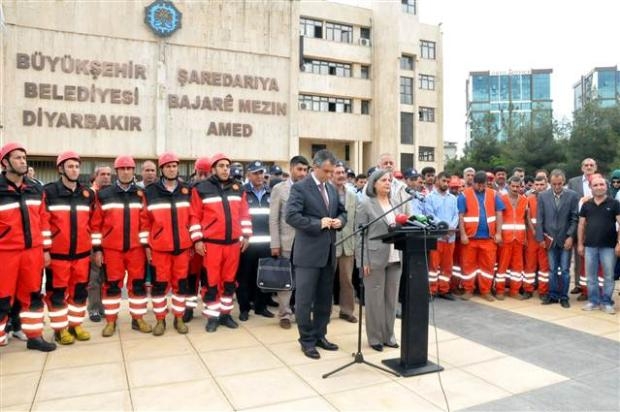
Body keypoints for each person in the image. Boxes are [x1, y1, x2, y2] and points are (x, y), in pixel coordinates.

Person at [285, 149, 346, 360]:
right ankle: (307, 340)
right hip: (308, 254)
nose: (329, 175)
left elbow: (341, 211)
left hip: (328, 252)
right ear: (315, 166)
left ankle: (321, 335)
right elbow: (291, 216)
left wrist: (340, 221)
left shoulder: (331, 188)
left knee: (324, 299)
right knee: (304, 300)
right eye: (326, 171)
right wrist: (317, 223)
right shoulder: (301, 188)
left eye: (332, 171)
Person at [0, 142, 56, 351]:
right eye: (17, 158)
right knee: (2, 298)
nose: (23, 161)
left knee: (33, 296)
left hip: (32, 253)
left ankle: (34, 337)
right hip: (4, 254)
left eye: (24, 158)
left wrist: (46, 250)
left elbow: (44, 220)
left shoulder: (35, 188)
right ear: (5, 162)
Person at [190, 153, 252, 333]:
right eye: (221, 166)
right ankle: (212, 316)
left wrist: (246, 236)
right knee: (211, 283)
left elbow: (244, 215)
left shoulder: (238, 188)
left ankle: (225, 314)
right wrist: (198, 239)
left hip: (233, 244)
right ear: (213, 169)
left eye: (227, 166)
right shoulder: (201, 188)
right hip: (212, 245)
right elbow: (194, 216)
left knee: (229, 282)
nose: (225, 169)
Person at [91, 155, 151, 337]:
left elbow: (145, 223)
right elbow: (95, 225)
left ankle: (138, 318)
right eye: (122, 169)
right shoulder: (103, 194)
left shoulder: (141, 194)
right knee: (112, 287)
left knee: (138, 285)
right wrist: (98, 249)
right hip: (112, 250)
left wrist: (146, 246)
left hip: (136, 250)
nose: (126, 172)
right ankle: (111, 321)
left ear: (134, 171)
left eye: (129, 168)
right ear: (116, 171)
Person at [44, 151, 95, 344]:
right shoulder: (48, 193)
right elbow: (43, 224)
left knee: (80, 291)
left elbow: (93, 223)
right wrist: (46, 250)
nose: (74, 170)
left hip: (82, 255)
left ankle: (75, 325)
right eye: (70, 166)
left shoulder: (87, 194)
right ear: (60, 169)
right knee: (57, 293)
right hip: (58, 256)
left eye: (76, 166)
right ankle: (59, 329)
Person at [141, 152, 193, 335]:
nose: (172, 169)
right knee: (159, 286)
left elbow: (193, 218)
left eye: (174, 166)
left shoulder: (187, 190)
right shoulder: (150, 192)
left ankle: (178, 318)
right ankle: (160, 320)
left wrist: (193, 242)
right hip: (159, 249)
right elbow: (145, 222)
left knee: (181, 285)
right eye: (168, 166)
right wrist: (147, 246)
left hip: (182, 249)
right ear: (161, 169)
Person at [355, 169, 403, 351]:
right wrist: (363, 261)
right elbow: (360, 235)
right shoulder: (366, 204)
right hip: (373, 258)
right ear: (374, 183)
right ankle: (375, 338)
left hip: (395, 257)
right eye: (383, 180)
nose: (387, 183)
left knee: (391, 299)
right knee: (375, 300)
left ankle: (388, 336)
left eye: (389, 180)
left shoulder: (396, 203)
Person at [269, 155, 309, 329]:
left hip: (306, 243)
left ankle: (300, 312)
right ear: (292, 169)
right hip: (286, 242)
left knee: (303, 280)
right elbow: (273, 219)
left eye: (305, 170)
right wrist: (275, 244)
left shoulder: (310, 189)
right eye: (299, 169)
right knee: (285, 280)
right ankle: (284, 314)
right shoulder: (280, 189)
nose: (302, 173)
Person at [458, 171, 505, 301]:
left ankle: (486, 291)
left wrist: (499, 233)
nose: (480, 188)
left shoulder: (493, 194)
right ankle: (468, 289)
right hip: (470, 238)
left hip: (489, 238)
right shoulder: (464, 195)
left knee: (488, 266)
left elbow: (499, 213)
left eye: (483, 185)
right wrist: (463, 234)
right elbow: (460, 216)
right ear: (473, 183)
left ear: (486, 183)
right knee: (468, 265)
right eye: (478, 185)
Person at [237, 160, 274, 321]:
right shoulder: (241, 192)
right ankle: (244, 308)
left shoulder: (270, 192)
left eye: (262, 173)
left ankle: (261, 306)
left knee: (264, 277)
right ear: (248, 175)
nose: (260, 176)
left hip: (266, 244)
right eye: (256, 173)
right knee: (244, 277)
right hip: (247, 244)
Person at [536, 169, 579, 308]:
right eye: (554, 184)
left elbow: (574, 218)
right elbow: (540, 218)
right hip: (549, 240)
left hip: (565, 238)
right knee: (552, 269)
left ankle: (564, 296)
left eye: (560, 184)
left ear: (564, 182)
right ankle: (553, 295)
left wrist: (570, 236)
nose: (557, 187)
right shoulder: (543, 196)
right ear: (549, 182)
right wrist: (540, 237)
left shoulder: (572, 196)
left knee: (565, 270)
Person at [577, 175, 620, 315]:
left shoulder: (614, 204)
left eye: (601, 184)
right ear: (591, 188)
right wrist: (580, 244)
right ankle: (593, 301)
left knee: (608, 276)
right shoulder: (586, 205)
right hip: (590, 246)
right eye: (595, 185)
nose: (599, 187)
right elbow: (581, 225)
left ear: (606, 186)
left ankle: (607, 302)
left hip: (609, 246)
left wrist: (619, 244)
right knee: (591, 276)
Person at [183, 157, 212, 322]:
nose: (202, 177)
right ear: (195, 172)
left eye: (206, 174)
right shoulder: (187, 190)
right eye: (200, 173)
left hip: (211, 241)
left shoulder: (215, 189)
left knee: (208, 277)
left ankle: (209, 307)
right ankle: (189, 308)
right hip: (192, 242)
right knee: (191, 278)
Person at [425, 172, 459, 300]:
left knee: (447, 265)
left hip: (450, 237)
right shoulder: (430, 197)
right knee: (434, 265)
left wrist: (451, 228)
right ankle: (432, 290)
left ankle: (444, 289)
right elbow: (430, 215)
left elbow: (456, 215)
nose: (446, 183)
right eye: (444, 181)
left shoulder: (453, 198)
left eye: (448, 181)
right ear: (437, 180)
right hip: (437, 237)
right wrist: (443, 228)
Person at [567, 158, 598, 299]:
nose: (589, 167)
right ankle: (579, 283)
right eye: (586, 165)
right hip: (578, 222)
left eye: (591, 165)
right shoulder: (573, 182)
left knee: (592, 257)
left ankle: (590, 285)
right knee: (579, 254)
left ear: (595, 167)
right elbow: (569, 201)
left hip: (596, 224)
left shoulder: (602, 181)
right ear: (582, 168)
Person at [495, 176, 529, 300]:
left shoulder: (524, 200)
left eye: (517, 186)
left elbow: (526, 219)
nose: (515, 189)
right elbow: (497, 218)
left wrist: (525, 237)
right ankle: (499, 290)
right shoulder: (501, 199)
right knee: (502, 265)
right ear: (508, 185)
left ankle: (514, 291)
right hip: (505, 238)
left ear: (521, 187)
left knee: (517, 266)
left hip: (519, 239)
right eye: (513, 186)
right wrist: (498, 234)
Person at [332, 161, 358, 323]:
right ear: (331, 175)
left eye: (343, 172)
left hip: (348, 244)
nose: (341, 175)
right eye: (338, 172)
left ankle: (346, 311)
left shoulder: (353, 196)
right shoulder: (326, 193)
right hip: (330, 244)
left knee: (347, 280)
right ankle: (324, 311)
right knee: (326, 280)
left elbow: (356, 220)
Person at [87, 166, 112, 322]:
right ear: (95, 176)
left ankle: (104, 307)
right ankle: (94, 309)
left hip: (109, 242)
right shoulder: (90, 194)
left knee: (106, 278)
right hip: (93, 242)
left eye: (109, 174)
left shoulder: (110, 194)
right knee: (94, 277)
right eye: (102, 174)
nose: (106, 177)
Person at [524, 176, 551, 300]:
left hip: (545, 237)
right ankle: (528, 289)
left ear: (546, 185)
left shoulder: (550, 199)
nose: (539, 187)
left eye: (542, 184)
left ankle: (543, 291)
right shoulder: (529, 198)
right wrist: (534, 231)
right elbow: (527, 216)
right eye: (537, 184)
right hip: (532, 236)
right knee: (530, 264)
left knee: (544, 265)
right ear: (534, 185)